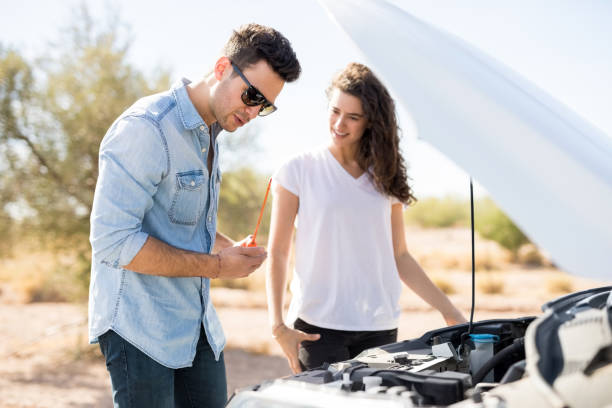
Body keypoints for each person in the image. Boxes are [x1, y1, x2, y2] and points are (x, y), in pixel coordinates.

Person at [88, 24, 300, 408]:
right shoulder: (146, 128)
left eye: (264, 105)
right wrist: (218, 265)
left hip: (197, 327)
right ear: (222, 67)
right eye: (251, 95)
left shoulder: (211, 133)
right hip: (140, 329)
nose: (253, 112)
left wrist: (228, 248)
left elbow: (183, 221)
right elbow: (113, 241)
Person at [266, 62, 466, 374]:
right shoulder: (298, 170)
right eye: (335, 111)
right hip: (317, 329)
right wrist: (278, 325)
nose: (339, 123)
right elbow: (278, 252)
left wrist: (450, 312)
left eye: (353, 116)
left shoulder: (385, 177)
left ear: (370, 121)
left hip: (380, 328)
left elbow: (399, 255)